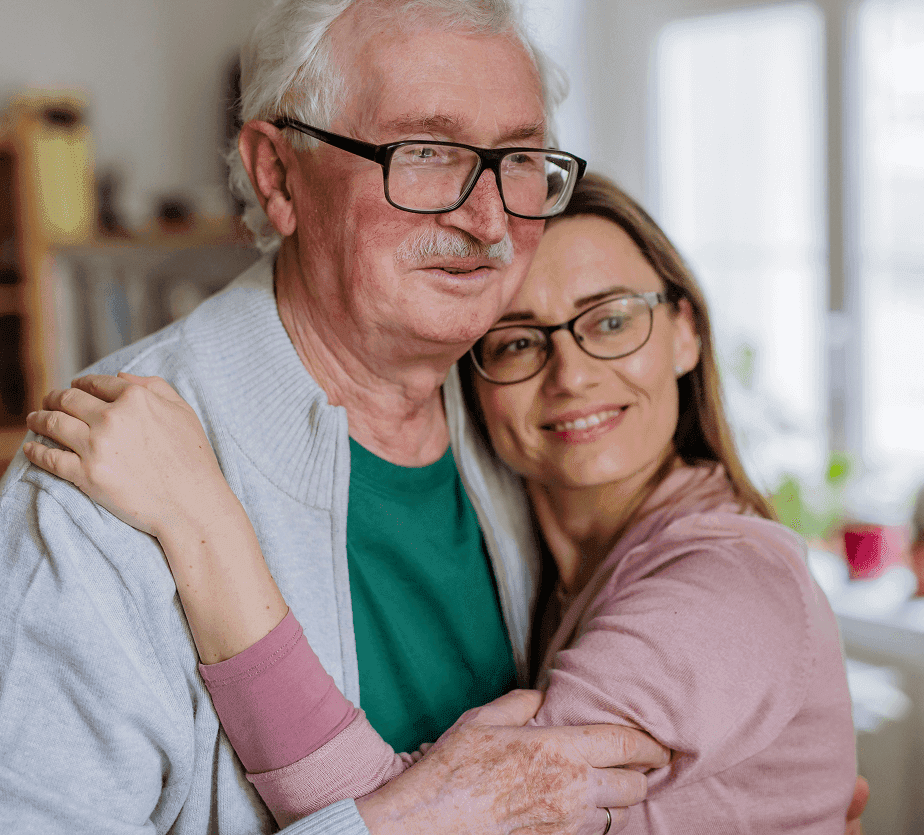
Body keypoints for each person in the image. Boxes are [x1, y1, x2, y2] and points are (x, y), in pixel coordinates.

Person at [0, 0, 670, 835]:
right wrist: (410, 823)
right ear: (279, 177)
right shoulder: (97, 485)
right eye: (426, 153)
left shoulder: (526, 411)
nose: (486, 220)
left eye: (517, 158)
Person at [26, 174, 862, 833]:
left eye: (611, 322)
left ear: (686, 331)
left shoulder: (727, 587)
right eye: (520, 341)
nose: (571, 375)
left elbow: (458, 821)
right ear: (477, 382)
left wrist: (205, 528)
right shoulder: (562, 571)